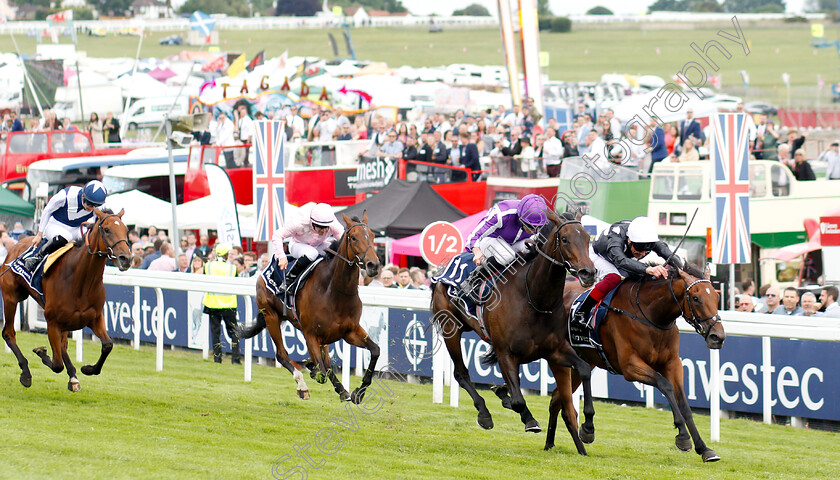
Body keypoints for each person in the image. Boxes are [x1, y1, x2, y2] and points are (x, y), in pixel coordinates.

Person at [572, 216, 682, 327]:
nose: (643, 254)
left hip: (622, 257)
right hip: (600, 256)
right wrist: (648, 269)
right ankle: (582, 311)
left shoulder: (647, 238)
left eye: (646, 251)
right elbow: (621, 261)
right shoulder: (616, 238)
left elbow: (668, 254)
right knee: (613, 278)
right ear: (629, 241)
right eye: (639, 250)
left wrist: (682, 269)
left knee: (645, 278)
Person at [23, 180, 108, 273]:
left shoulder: (98, 207)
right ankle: (37, 257)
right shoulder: (65, 196)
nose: (91, 208)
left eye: (95, 206)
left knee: (89, 239)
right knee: (66, 236)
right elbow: (47, 211)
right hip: (55, 225)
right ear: (83, 196)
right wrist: (39, 234)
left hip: (76, 228)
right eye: (89, 204)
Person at [465, 194, 550, 283]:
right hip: (490, 241)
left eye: (538, 226)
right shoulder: (502, 214)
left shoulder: (542, 217)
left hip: (513, 244)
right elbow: (474, 236)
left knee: (533, 247)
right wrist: (477, 253)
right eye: (530, 226)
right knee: (507, 255)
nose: (534, 230)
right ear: (520, 217)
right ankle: (473, 280)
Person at [271, 202, 344, 291]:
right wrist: (281, 257)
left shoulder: (333, 223)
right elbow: (277, 235)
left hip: (319, 245)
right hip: (297, 245)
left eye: (326, 228)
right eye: (321, 228)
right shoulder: (298, 222)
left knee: (334, 249)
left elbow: (343, 240)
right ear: (312, 223)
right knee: (312, 253)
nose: (324, 231)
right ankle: (288, 280)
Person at [203, 243, 240, 364]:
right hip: (229, 304)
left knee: (215, 333)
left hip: (213, 304)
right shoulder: (232, 267)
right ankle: (236, 358)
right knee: (234, 333)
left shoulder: (208, 266)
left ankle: (217, 358)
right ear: (226, 254)